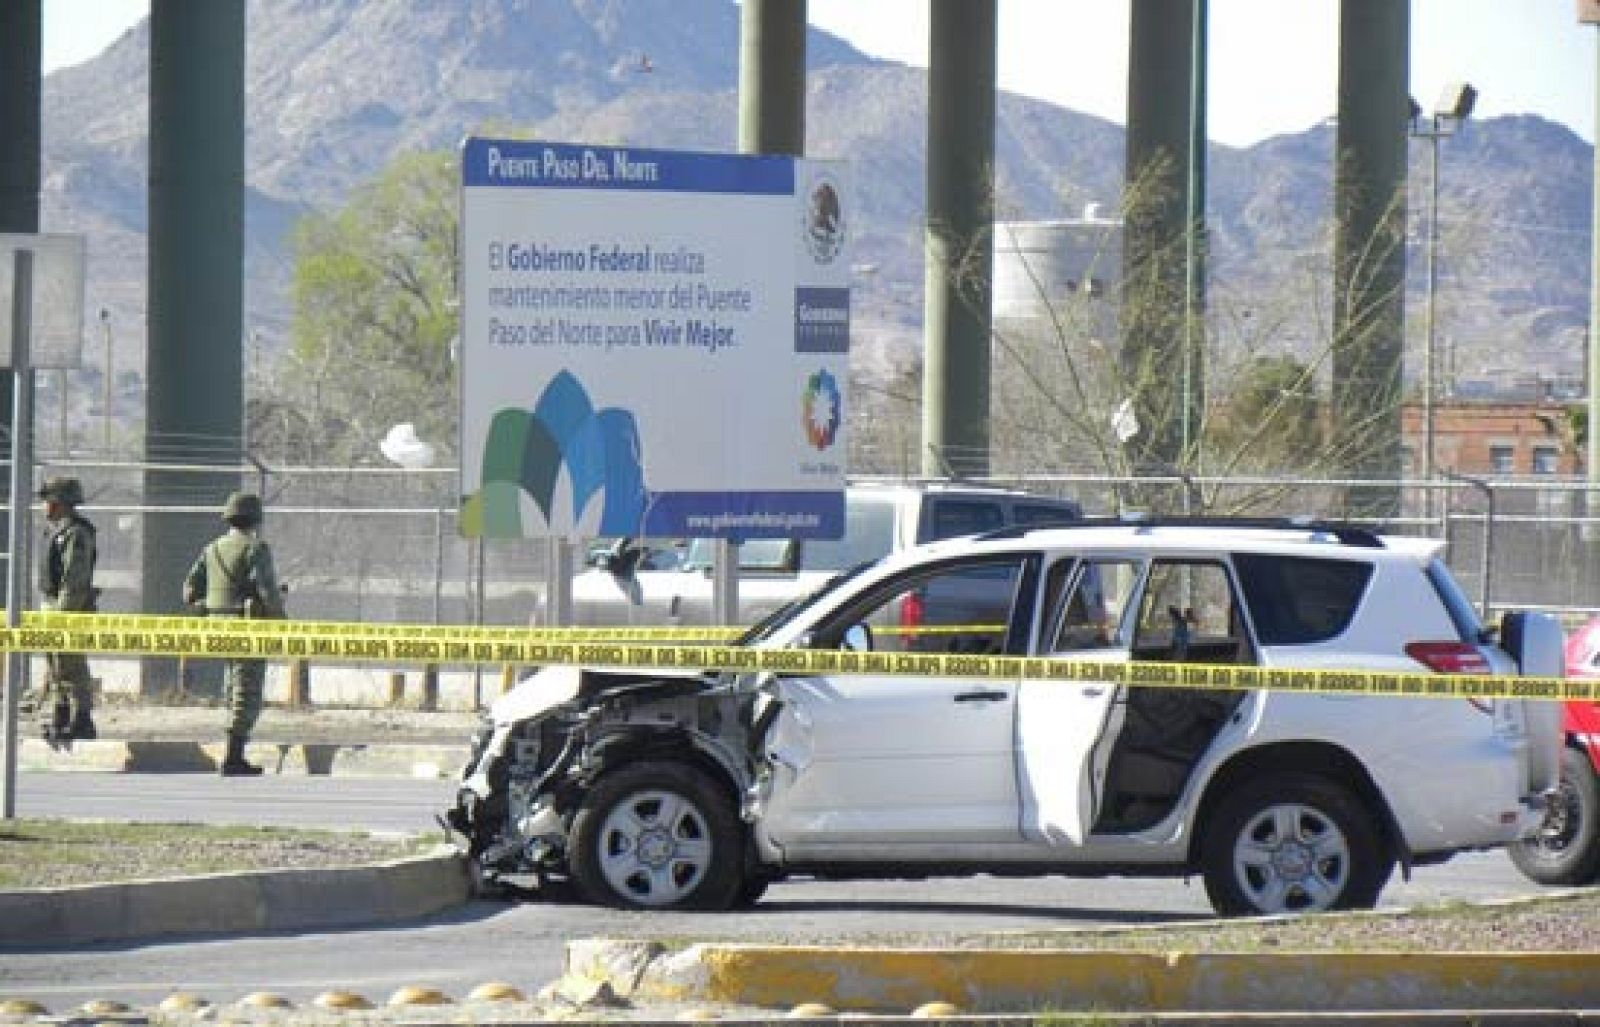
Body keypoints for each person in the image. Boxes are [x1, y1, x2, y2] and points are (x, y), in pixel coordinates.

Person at [182, 491, 285, 777]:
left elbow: (189, 590)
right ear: (255, 519)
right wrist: (280, 620)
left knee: (232, 686)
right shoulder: (256, 549)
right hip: (247, 627)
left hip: (219, 626)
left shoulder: (212, 548)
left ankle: (233, 752)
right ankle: (233, 756)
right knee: (246, 691)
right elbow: (267, 591)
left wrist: (211, 607)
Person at [36, 476, 99, 748]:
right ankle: (61, 717)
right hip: (53, 606)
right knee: (56, 667)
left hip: (67, 609)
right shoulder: (59, 531)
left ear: (61, 504)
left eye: (50, 502)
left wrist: (63, 616)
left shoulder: (76, 534)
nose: (45, 507)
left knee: (71, 665)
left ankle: (81, 720)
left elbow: (74, 580)